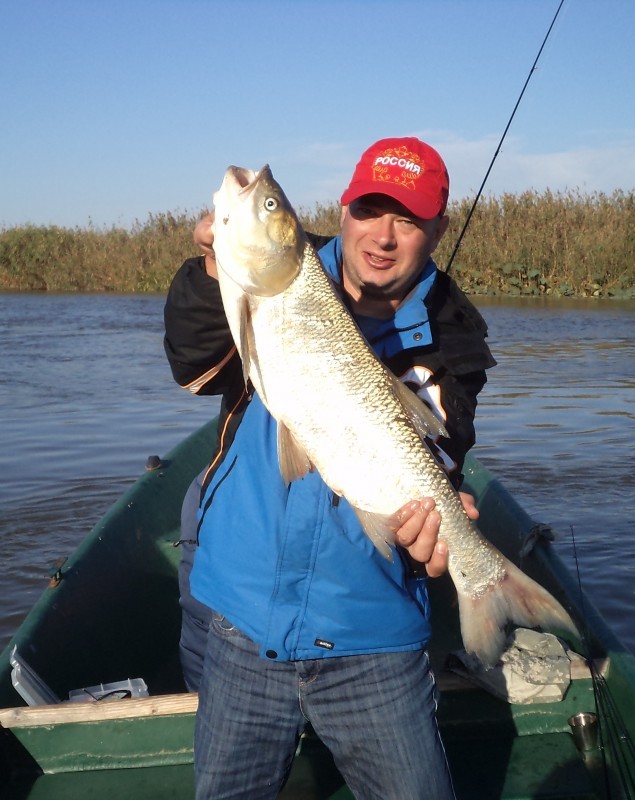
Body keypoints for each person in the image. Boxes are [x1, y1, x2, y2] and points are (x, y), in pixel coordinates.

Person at [164, 137, 496, 799]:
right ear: (342, 207)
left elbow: (438, 452)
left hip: (370, 632)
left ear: (439, 229)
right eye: (370, 210)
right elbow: (195, 366)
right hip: (240, 612)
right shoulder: (283, 271)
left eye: (407, 219)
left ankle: (486, 584)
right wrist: (211, 272)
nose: (383, 236)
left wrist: (435, 532)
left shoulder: (453, 337)